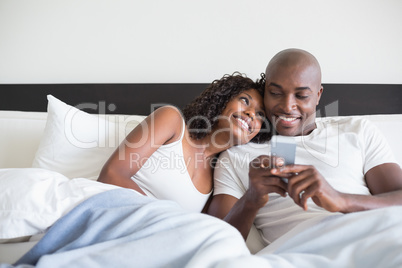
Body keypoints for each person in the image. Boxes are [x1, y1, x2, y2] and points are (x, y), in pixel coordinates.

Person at [207, 49, 402, 248]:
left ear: (318, 95)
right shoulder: (235, 156)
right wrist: (251, 200)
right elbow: (216, 244)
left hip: (372, 243)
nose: (287, 106)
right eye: (275, 93)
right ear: (265, 91)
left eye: (301, 96)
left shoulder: (357, 131)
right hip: (300, 255)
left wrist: (341, 200)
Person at [97, 73, 269, 213]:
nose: (251, 114)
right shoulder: (172, 121)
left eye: (260, 115)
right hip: (108, 212)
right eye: (245, 101)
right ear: (223, 99)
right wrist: (168, 221)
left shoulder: (220, 179)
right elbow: (112, 175)